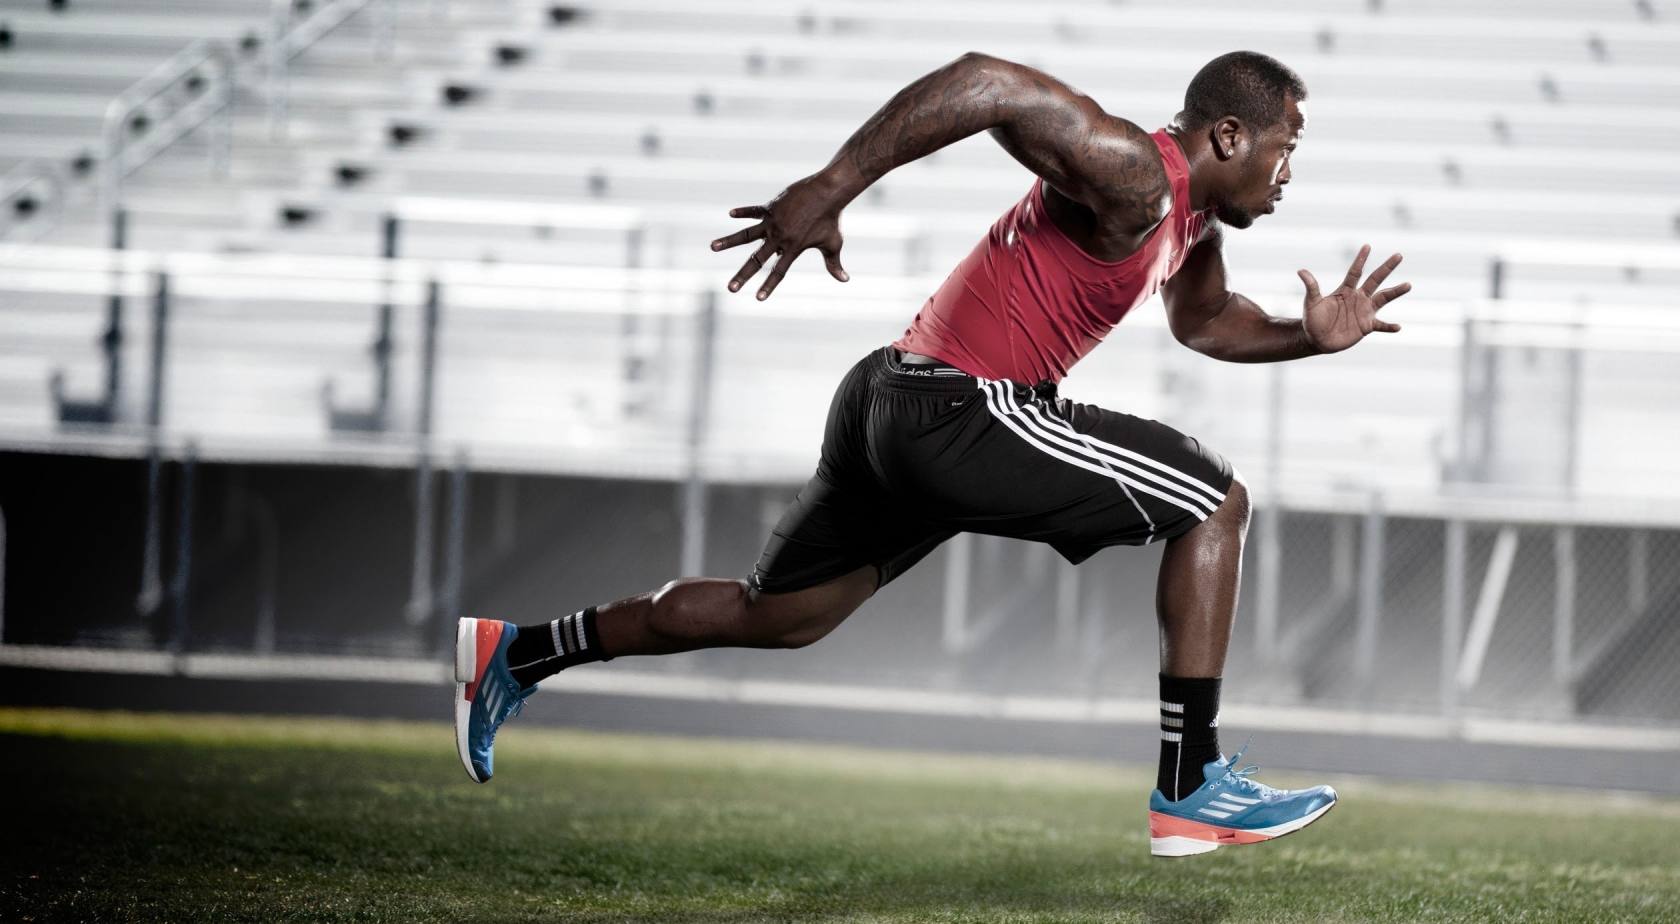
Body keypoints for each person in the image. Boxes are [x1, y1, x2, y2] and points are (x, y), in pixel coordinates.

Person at [454, 51, 1410, 857]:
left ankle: (517, 654)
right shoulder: (1135, 172)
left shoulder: (1189, 224)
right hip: (958, 409)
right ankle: (1191, 780)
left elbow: (1202, 321)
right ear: (1232, 138)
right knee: (1216, 500)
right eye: (1289, 149)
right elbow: (986, 82)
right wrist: (829, 189)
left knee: (779, 615)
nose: (1290, 174)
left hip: (889, 397)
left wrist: (1307, 335)